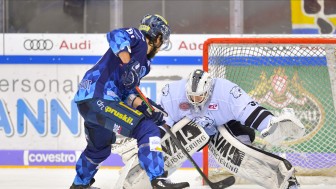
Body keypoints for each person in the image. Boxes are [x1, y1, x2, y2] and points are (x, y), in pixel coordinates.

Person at [70, 14, 190, 189]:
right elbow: (115, 35)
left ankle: (80, 184)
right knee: (147, 129)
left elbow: (127, 92)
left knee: (99, 149)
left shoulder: (144, 65)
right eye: (162, 39)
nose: (162, 44)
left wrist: (144, 106)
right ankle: (158, 179)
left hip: (90, 104)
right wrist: (128, 63)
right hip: (99, 97)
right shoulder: (138, 39)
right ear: (157, 37)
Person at [157, 68, 306, 189]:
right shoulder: (172, 94)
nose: (195, 101)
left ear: (208, 90)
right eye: (192, 96)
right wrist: (154, 141)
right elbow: (162, 122)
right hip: (196, 131)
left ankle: (285, 179)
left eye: (199, 96)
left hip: (227, 125)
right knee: (169, 145)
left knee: (240, 156)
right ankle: (154, 176)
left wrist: (269, 124)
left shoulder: (226, 91)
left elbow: (248, 110)